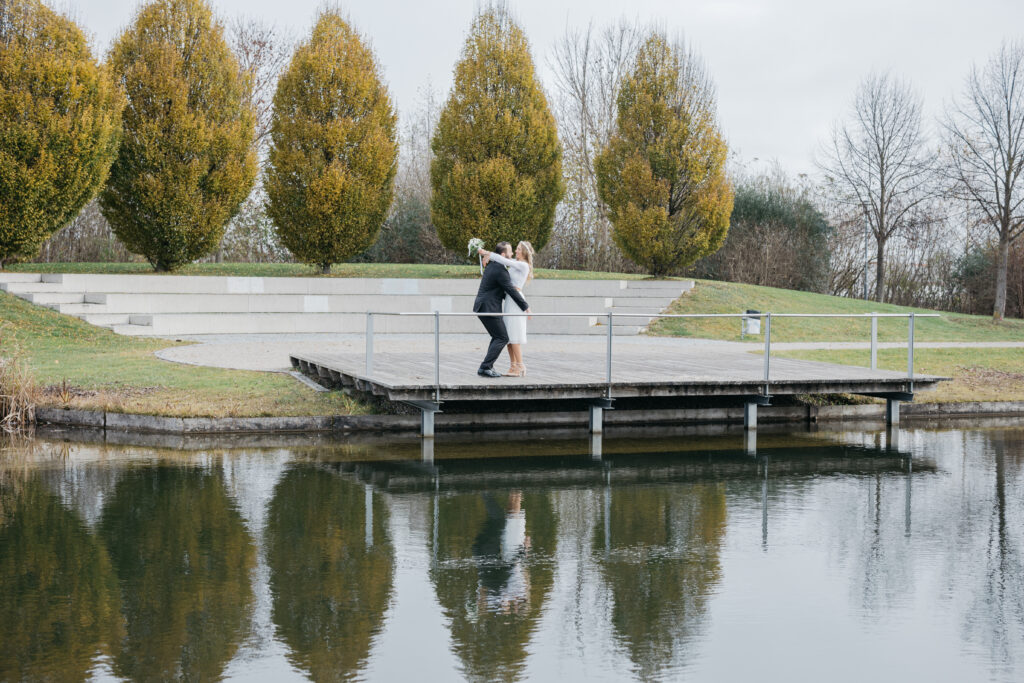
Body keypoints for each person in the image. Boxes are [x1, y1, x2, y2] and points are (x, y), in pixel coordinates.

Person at [473, 242, 530, 378]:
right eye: (511, 251)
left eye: (517, 249)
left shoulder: (496, 266)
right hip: (489, 307)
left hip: (485, 306)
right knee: (502, 337)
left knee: (499, 337)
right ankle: (486, 367)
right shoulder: (500, 270)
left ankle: (490, 366)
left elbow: (507, 285)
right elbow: (510, 289)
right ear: (504, 255)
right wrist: (525, 306)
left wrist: (488, 254)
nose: (513, 253)